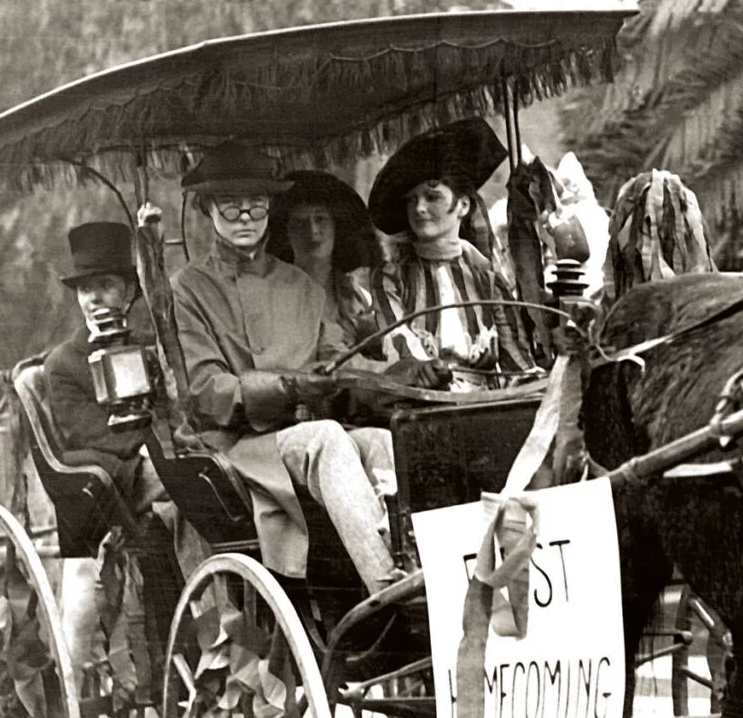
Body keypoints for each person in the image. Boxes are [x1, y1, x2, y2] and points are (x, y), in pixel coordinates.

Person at [171, 142, 446, 592]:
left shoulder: (299, 284)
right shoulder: (188, 289)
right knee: (327, 437)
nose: (245, 216)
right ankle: (390, 588)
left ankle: (426, 566)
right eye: (231, 204)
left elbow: (339, 362)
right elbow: (205, 390)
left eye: (256, 204)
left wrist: (399, 375)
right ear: (207, 208)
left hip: (302, 435)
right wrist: (286, 387)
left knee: (382, 441)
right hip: (240, 445)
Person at [43, 221, 187, 684]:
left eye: (104, 285)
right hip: (97, 481)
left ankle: (181, 641)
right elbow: (82, 431)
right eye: (85, 289)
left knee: (191, 494)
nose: (93, 298)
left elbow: (172, 408)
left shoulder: (151, 347)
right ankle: (70, 681)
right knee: (83, 582)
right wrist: (148, 452)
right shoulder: (64, 362)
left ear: (127, 293)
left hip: (153, 470)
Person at [364, 118, 536, 388]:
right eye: (412, 200)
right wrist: (424, 371)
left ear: (463, 206)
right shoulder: (390, 278)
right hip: (423, 404)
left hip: (486, 404)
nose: (419, 208)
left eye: (432, 197)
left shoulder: (488, 281)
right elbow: (400, 347)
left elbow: (518, 366)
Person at [272, 170, 383, 344]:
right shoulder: (272, 296)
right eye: (300, 223)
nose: (312, 232)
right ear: (286, 234)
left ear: (337, 227)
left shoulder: (357, 297)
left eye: (321, 219)